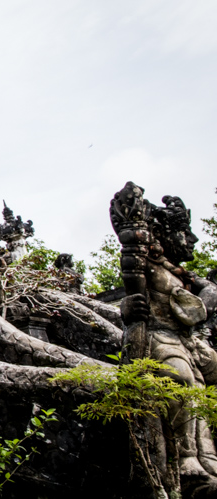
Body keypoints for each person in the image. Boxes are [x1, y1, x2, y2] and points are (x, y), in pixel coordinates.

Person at [121, 195, 217, 497]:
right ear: (163, 235)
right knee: (180, 379)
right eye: (183, 232)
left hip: (190, 342)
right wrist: (128, 308)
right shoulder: (147, 266)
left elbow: (206, 299)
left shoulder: (179, 272)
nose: (192, 239)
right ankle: (188, 458)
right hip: (161, 339)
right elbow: (133, 297)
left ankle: (209, 456)